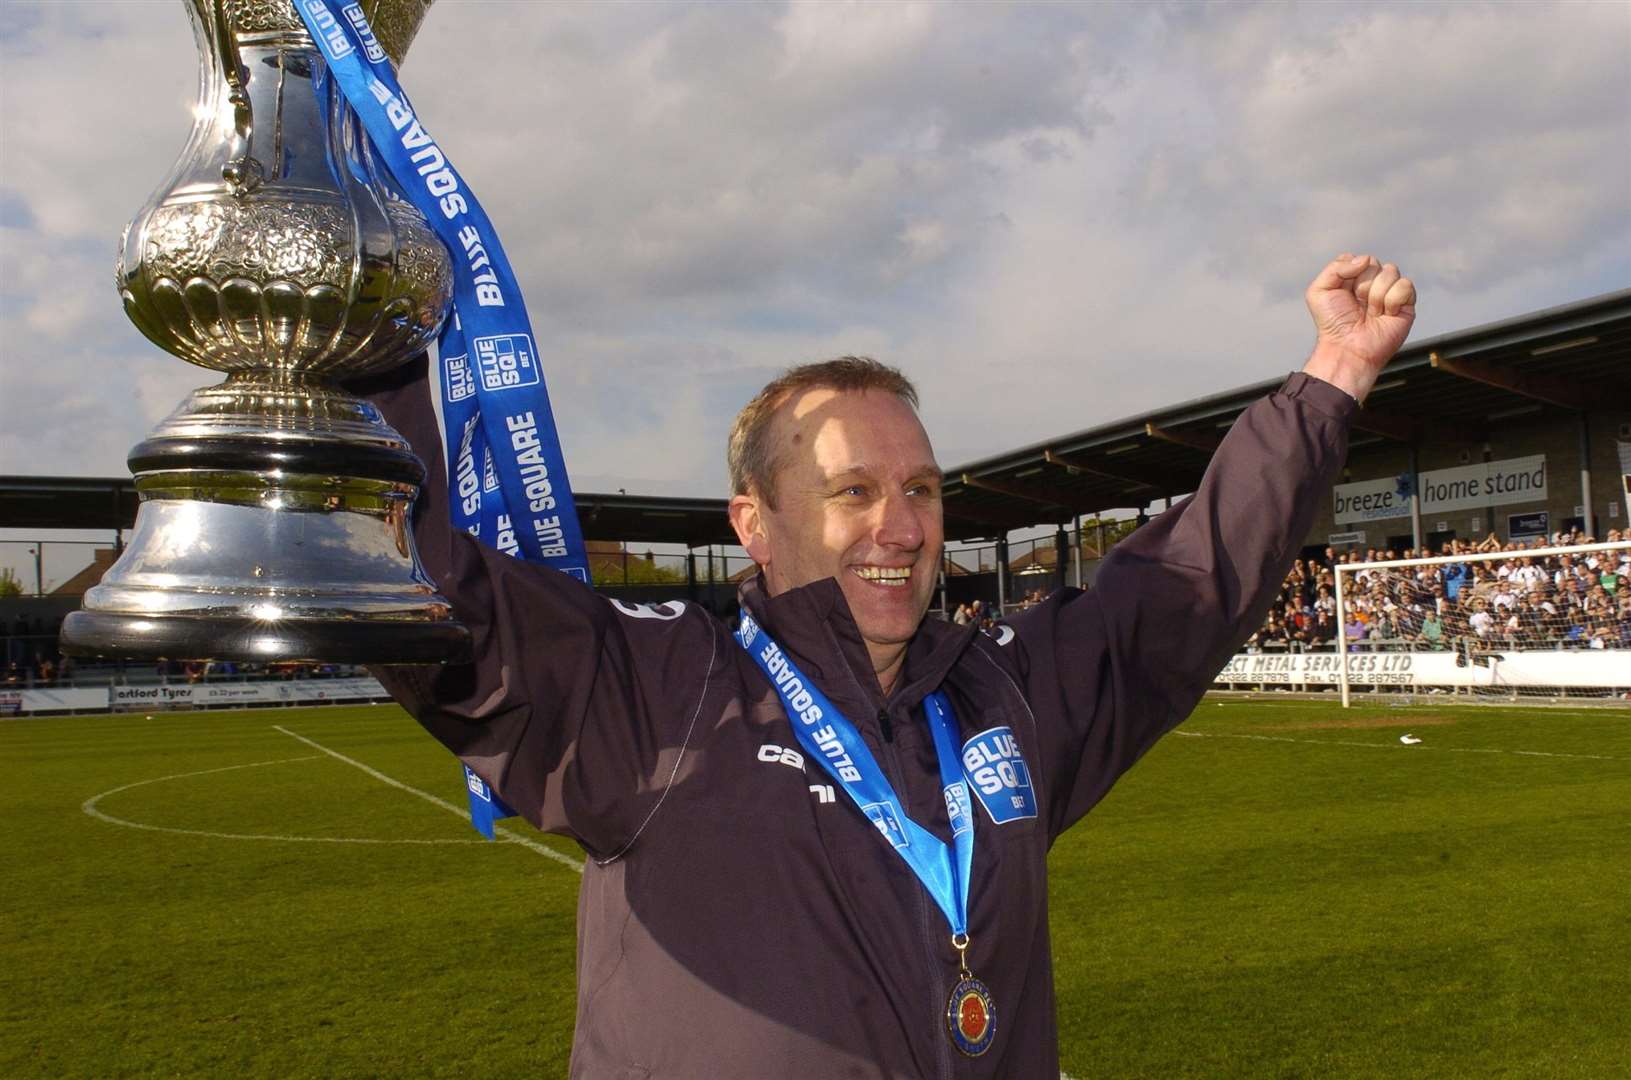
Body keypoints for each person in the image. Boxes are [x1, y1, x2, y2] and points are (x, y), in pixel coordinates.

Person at [358, 254, 1414, 1077]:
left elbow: (1185, 583)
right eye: (853, 491)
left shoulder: (1002, 691)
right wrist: (367, 325)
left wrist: (1331, 379)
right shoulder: (660, 688)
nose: (899, 528)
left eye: (919, 489)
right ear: (754, 525)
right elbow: (432, 586)